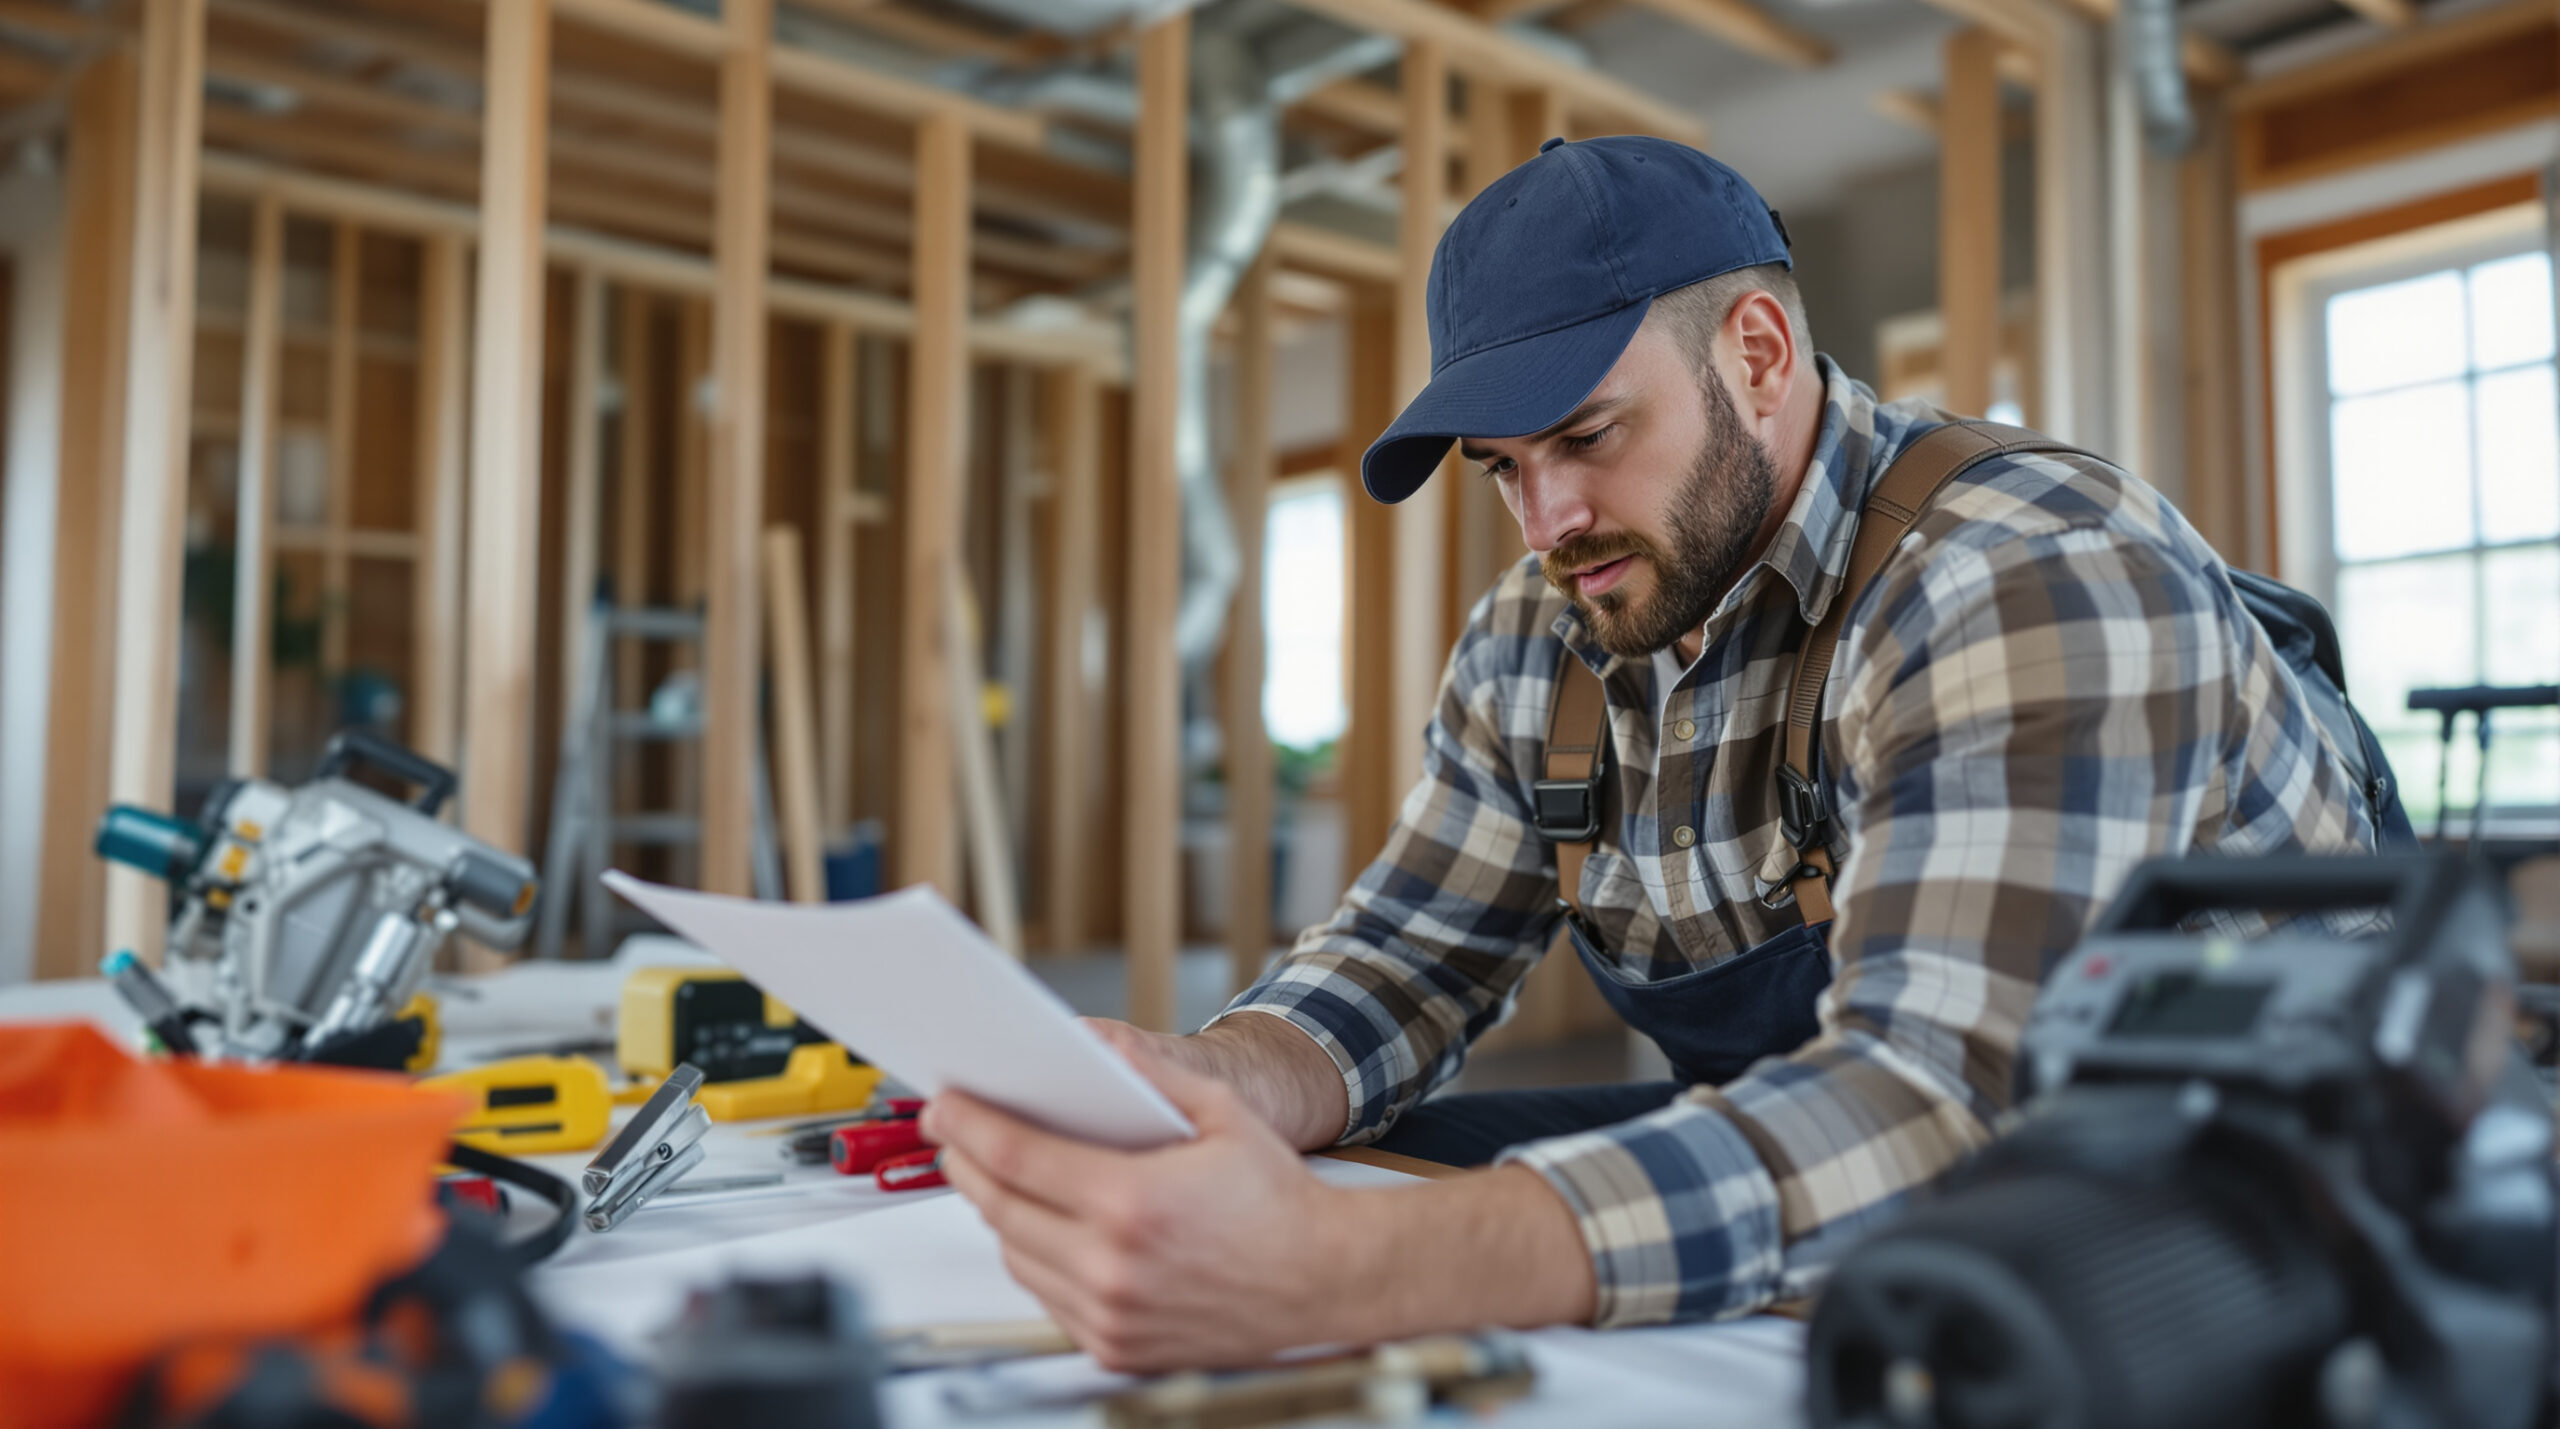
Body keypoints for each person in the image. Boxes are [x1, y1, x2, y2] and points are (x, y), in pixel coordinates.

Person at [919, 136, 2385, 1371]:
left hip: (2253, 1182)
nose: (1547, 523)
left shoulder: (2025, 567)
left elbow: (1946, 1098)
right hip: (1878, 1121)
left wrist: (1347, 1270)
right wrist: (1200, 1078)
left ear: (1757, 353)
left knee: (1404, 1238)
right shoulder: (1543, 633)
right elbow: (1403, 960)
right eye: (1504, 470)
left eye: (1587, 435)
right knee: (1386, 1165)